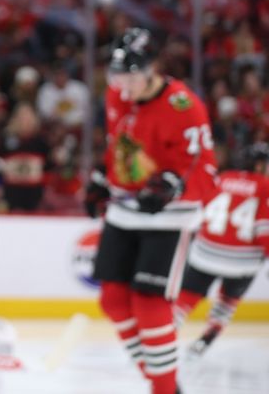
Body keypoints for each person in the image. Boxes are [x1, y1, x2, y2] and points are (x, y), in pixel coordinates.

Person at [84, 27, 217, 394]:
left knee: (149, 304)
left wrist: (173, 186)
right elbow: (119, 147)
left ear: (152, 68)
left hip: (171, 218)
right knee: (112, 300)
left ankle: (162, 387)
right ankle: (166, 382)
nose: (124, 86)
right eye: (117, 76)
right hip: (125, 211)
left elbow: (205, 170)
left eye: (131, 75)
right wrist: (102, 177)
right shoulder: (117, 95)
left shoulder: (183, 106)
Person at [173, 142, 269, 357]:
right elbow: (264, 229)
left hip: (205, 252)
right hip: (243, 261)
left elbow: (200, 210)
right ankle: (208, 337)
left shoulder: (223, 178)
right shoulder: (265, 186)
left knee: (186, 297)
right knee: (227, 301)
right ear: (260, 165)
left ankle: (166, 335)